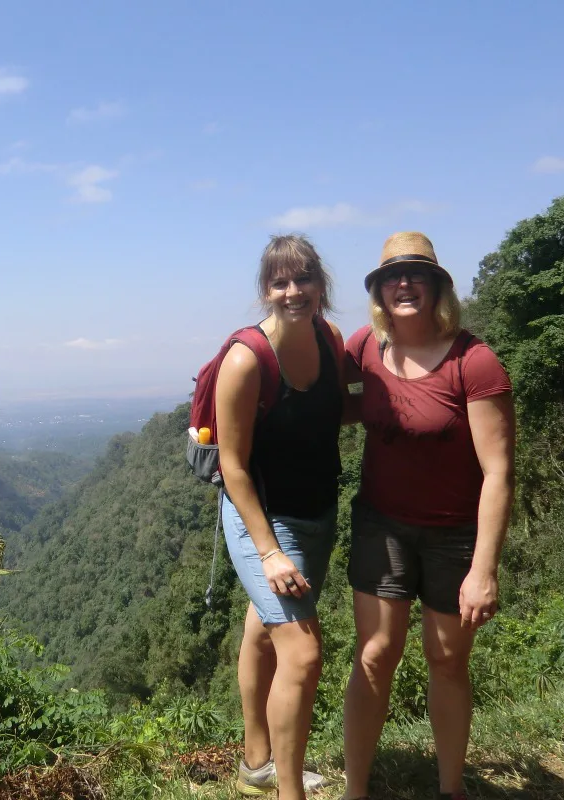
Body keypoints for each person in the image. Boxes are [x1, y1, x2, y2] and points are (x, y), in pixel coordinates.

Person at [341, 232, 515, 800]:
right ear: (379, 291)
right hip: (381, 525)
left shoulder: (475, 361)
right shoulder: (364, 346)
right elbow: (318, 391)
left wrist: (483, 570)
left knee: (446, 660)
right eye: (393, 276)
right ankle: (355, 790)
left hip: (453, 534)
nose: (404, 284)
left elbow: (498, 472)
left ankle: (450, 789)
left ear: (438, 285)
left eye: (417, 274)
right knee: (375, 653)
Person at [215, 234, 346, 799]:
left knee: (263, 633)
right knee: (303, 649)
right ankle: (288, 791)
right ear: (265, 290)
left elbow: (333, 412)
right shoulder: (246, 360)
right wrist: (269, 552)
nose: (293, 291)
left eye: (304, 279)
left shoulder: (329, 336)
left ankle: (256, 764)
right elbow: (233, 466)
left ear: (321, 285)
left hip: (318, 510)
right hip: (261, 519)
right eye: (280, 281)